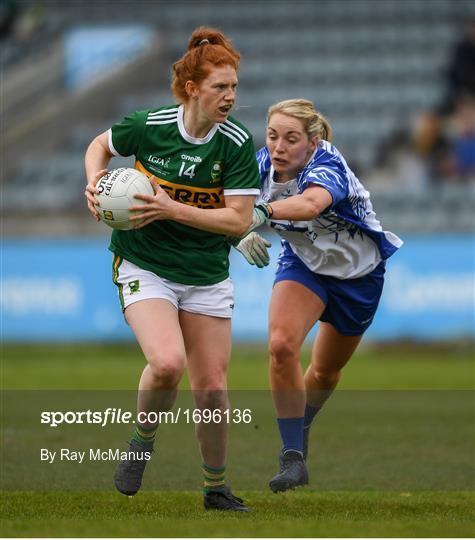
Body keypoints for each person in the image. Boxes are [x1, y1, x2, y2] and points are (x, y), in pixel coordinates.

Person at [84, 27, 260, 512]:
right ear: (192, 89)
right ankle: (141, 443)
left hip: (206, 272)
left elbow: (239, 221)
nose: (230, 96)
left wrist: (171, 209)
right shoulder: (150, 124)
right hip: (145, 262)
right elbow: (98, 144)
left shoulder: (237, 144)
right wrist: (95, 181)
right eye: (220, 87)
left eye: (234, 87)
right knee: (166, 364)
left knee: (213, 388)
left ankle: (215, 489)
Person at [234, 99, 402, 492]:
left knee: (325, 372)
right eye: (273, 136)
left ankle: (302, 422)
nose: (279, 147)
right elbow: (229, 209)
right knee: (280, 345)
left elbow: (310, 205)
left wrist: (261, 214)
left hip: (358, 277)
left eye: (291, 139)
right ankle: (292, 456)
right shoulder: (260, 167)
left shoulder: (327, 163)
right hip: (304, 265)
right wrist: (238, 232)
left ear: (311, 143)